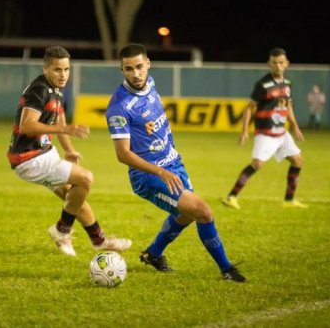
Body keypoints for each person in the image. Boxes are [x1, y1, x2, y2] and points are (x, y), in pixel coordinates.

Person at [105, 43, 246, 283]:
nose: (136, 74)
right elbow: (123, 155)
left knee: (187, 215)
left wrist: (169, 161)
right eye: (129, 69)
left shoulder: (150, 85)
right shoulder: (119, 107)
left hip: (173, 165)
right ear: (122, 70)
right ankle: (227, 269)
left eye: (139, 67)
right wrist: (160, 172)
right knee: (203, 211)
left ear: (148, 64)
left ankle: (153, 254)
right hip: (149, 177)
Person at [7, 46, 131, 257]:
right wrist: (64, 130)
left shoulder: (55, 88)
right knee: (85, 179)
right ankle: (62, 230)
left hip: (43, 153)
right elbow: (27, 125)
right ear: (45, 68)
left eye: (66, 69)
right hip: (29, 158)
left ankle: (99, 240)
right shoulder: (39, 89)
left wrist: (69, 150)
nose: (63, 74)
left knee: (73, 197)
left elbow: (59, 117)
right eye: (57, 69)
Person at [222, 47, 307, 210]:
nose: (278, 66)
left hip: (282, 132)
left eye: (281, 63)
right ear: (269, 64)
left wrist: (295, 127)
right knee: (257, 164)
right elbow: (249, 108)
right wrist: (245, 131)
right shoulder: (263, 84)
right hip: (266, 133)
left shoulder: (287, 83)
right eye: (274, 63)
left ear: (287, 64)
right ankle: (231, 197)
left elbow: (288, 106)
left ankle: (289, 201)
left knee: (298, 161)